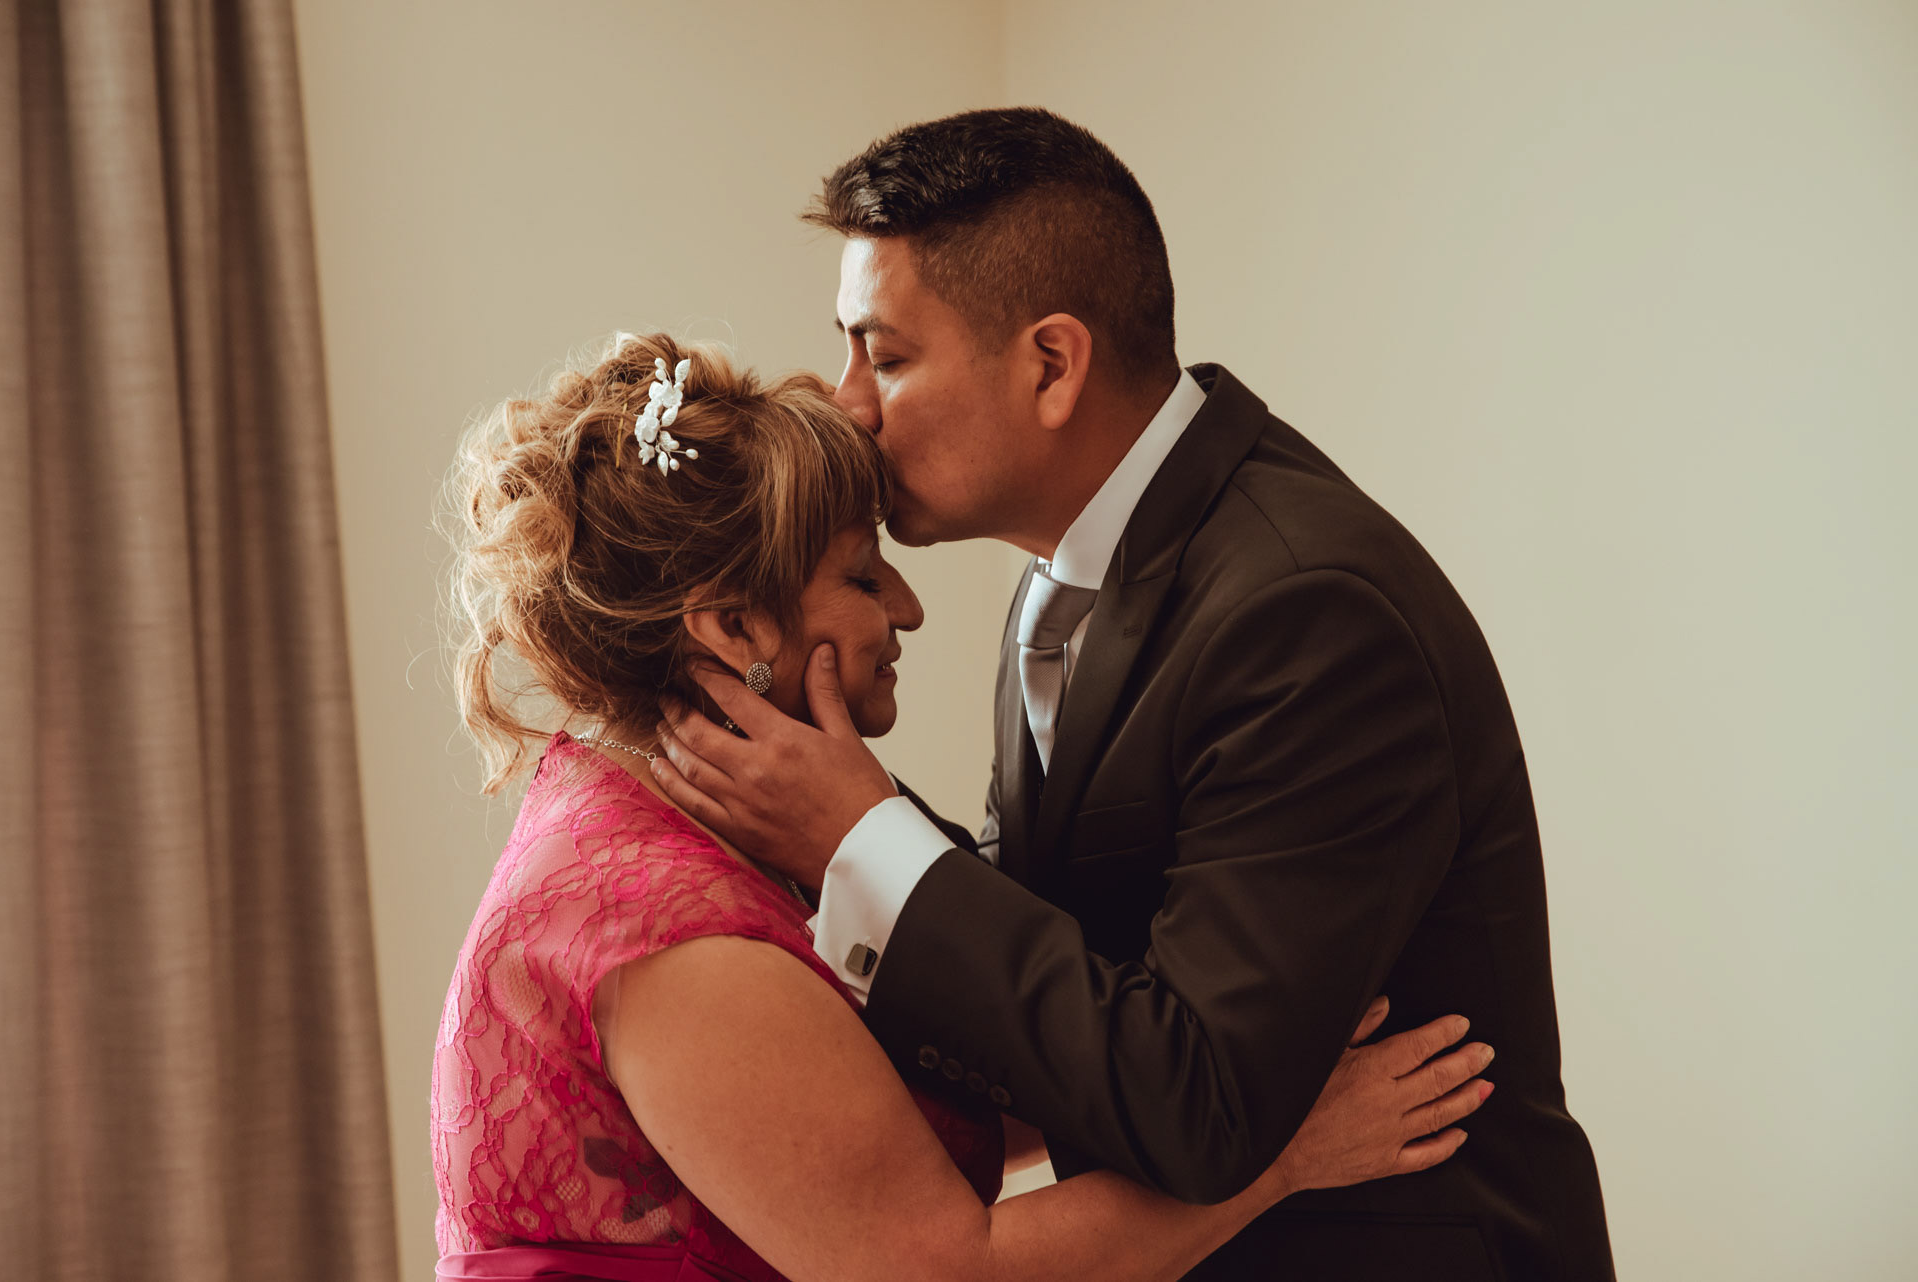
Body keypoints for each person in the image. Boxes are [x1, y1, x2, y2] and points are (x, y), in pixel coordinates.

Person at [648, 109, 1616, 1280]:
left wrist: (863, 834)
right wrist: (846, 821)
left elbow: (1199, 1102)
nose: (849, 401)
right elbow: (1062, 970)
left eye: (888, 356)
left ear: (1052, 365)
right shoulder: (1059, 580)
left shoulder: (1304, 613)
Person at [431, 335, 1494, 1282]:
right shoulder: (667, 940)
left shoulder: (715, 833)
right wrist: (1279, 1154)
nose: (908, 607)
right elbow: (943, 1268)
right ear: (735, 627)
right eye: (860, 574)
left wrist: (1231, 1069)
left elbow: (892, 1121)